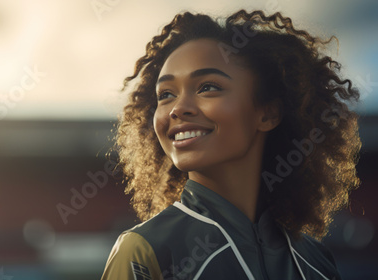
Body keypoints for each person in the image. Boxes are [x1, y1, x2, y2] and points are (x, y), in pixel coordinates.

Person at [101, 9, 361, 280]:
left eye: (207, 87)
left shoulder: (316, 261)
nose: (177, 109)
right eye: (166, 94)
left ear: (268, 113)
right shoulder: (145, 251)